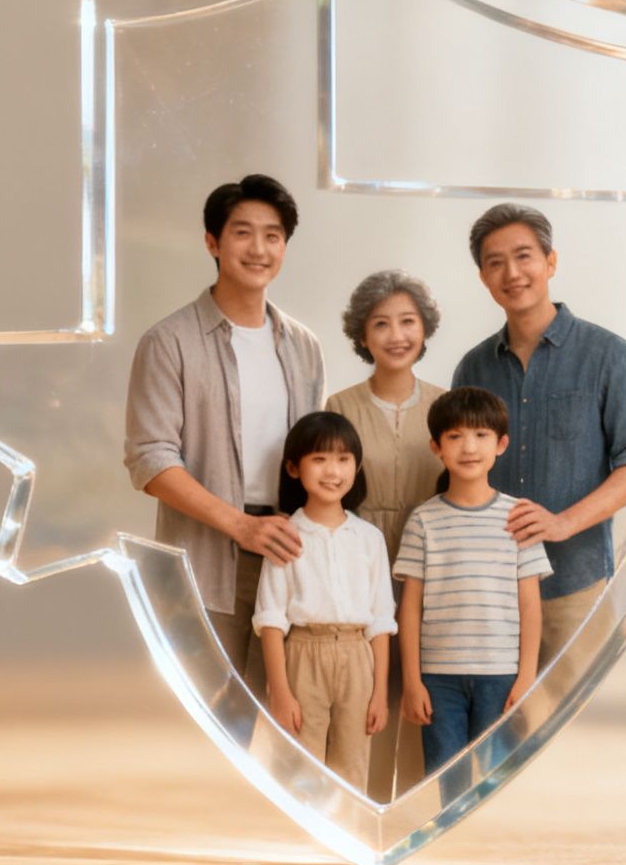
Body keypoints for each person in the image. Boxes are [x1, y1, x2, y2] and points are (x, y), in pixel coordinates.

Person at [124, 174, 325, 692]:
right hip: (208, 561)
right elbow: (150, 460)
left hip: (290, 552)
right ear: (212, 242)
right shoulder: (169, 341)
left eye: (273, 235)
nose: (259, 248)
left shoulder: (303, 346)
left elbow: (317, 457)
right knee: (215, 714)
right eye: (243, 233)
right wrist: (240, 526)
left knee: (289, 720)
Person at [451, 203, 626, 675]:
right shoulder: (473, 369)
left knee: (570, 738)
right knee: (494, 737)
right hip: (491, 595)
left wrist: (565, 522)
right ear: (483, 277)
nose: (512, 272)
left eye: (524, 256)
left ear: (550, 262)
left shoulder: (607, 355)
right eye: (495, 262)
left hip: (575, 587)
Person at [326, 269, 445, 800]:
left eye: (407, 322)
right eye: (381, 324)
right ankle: (360, 812)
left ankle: (416, 815)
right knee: (364, 696)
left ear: (424, 329)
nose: (396, 335)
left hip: (432, 568)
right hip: (358, 568)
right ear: (362, 335)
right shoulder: (339, 407)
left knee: (421, 692)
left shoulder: (447, 406)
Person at [396, 387, 549, 783]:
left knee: (495, 775)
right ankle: (453, 847)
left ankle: (492, 846)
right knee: (446, 776)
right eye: (455, 436)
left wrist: (526, 676)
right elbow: (410, 608)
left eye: (481, 435)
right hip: (438, 677)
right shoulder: (423, 521)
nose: (468, 447)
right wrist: (412, 681)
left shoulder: (519, 516)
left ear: (501, 444)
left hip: (501, 675)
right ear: (436, 447)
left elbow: (530, 604)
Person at [252, 411, 396, 789]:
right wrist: (280, 692)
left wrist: (380, 692)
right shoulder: (284, 535)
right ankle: (305, 846)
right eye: (319, 459)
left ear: (356, 466)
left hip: (356, 657)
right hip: (302, 654)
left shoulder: (369, 538)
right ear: (294, 468)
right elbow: (270, 619)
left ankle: (346, 842)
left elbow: (381, 619)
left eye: (343, 459)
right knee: (302, 765)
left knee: (352, 768)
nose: (333, 471)